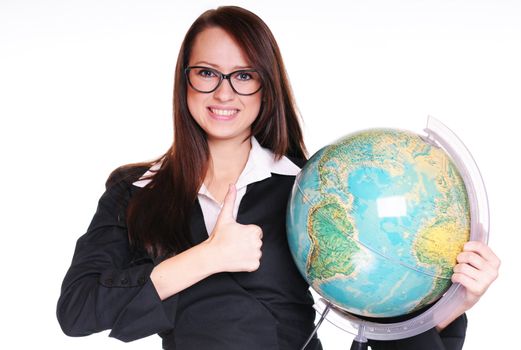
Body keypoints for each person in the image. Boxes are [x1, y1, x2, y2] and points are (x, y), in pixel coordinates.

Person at [57, 6, 500, 350]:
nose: (224, 91)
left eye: (244, 75)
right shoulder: (136, 192)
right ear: (184, 82)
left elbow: (382, 324)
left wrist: (450, 306)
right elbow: (77, 311)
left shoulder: (309, 193)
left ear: (266, 86)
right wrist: (209, 256)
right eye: (207, 73)